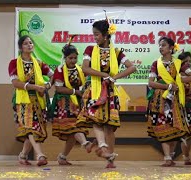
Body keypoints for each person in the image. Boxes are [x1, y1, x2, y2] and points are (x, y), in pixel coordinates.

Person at [76, 19, 136, 168]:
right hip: (95, 90)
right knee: (96, 119)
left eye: (97, 35)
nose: (94, 38)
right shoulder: (90, 50)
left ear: (106, 36)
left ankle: (110, 158)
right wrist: (104, 76)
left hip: (110, 92)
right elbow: (85, 68)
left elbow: (132, 67)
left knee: (109, 126)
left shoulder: (117, 52)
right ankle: (102, 147)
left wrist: (114, 78)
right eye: (94, 35)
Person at [146, 37, 191, 167]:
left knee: (174, 128)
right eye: (159, 45)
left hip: (175, 100)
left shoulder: (180, 63)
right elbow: (151, 83)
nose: (160, 47)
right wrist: (168, 86)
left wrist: (177, 82)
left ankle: (171, 155)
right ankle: (167, 157)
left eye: (163, 45)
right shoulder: (155, 64)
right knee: (162, 126)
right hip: (160, 100)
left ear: (170, 48)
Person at [49, 35, 96, 165]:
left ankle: (62, 157)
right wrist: (76, 92)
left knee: (72, 133)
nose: (73, 60)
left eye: (75, 57)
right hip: (64, 103)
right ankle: (85, 143)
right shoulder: (59, 70)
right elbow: (59, 89)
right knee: (73, 126)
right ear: (65, 58)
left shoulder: (80, 69)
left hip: (77, 103)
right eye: (70, 58)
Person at [8, 35, 53, 166]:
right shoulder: (14, 63)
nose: (30, 45)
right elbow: (16, 83)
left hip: (38, 101)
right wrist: (35, 87)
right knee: (31, 127)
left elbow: (53, 76)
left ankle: (22, 155)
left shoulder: (39, 63)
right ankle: (40, 155)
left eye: (31, 43)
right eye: (26, 43)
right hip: (23, 101)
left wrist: (47, 86)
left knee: (33, 129)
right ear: (21, 47)